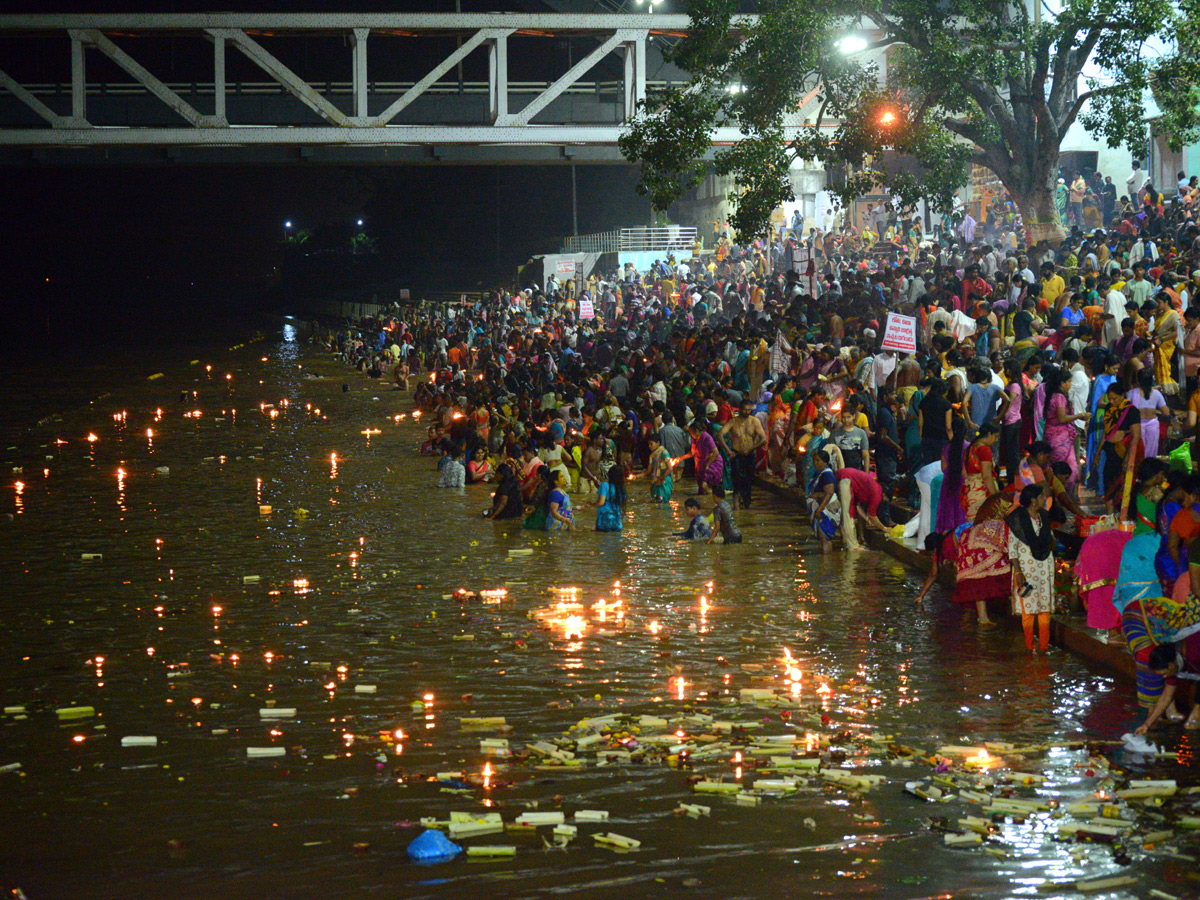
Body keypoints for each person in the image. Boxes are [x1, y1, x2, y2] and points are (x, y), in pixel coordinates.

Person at [1007, 483, 1056, 653]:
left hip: (1045, 568)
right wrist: (1018, 572)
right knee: (1028, 610)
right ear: (1034, 500)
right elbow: (1012, 549)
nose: (1044, 499)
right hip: (1026, 569)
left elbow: (1050, 539)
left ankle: (1043, 646)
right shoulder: (1016, 520)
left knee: (1044, 609)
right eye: (1042, 496)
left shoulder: (1044, 516)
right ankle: (1030, 646)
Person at [1135, 635, 1200, 734]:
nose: (1164, 677)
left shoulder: (1193, 655)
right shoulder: (1173, 666)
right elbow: (1166, 697)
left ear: (1170, 665)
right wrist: (1146, 724)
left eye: (1164, 673)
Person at [716, 398, 768, 509]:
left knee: (748, 481)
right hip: (737, 455)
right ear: (740, 410)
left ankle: (746, 503)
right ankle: (736, 505)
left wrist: (751, 448)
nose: (747, 412)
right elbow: (719, 435)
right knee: (736, 480)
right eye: (745, 410)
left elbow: (763, 439)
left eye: (749, 410)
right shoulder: (733, 422)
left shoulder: (754, 421)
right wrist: (728, 451)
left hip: (750, 455)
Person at [961, 423, 1001, 519]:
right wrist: (995, 496)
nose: (996, 440)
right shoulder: (984, 450)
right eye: (995, 437)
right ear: (988, 434)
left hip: (970, 491)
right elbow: (987, 477)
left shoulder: (969, 448)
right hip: (982, 492)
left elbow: (964, 472)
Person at [808, 448, 840, 553]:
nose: (815, 463)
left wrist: (819, 510)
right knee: (822, 539)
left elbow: (829, 493)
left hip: (825, 511)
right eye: (814, 460)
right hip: (820, 509)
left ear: (825, 462)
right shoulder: (819, 473)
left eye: (818, 460)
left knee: (825, 539)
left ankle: (826, 564)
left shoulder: (827, 474)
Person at [595, 463, 626, 532]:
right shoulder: (621, 488)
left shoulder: (605, 486)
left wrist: (591, 505)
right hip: (616, 523)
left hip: (603, 523)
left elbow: (601, 503)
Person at [647, 433, 674, 502]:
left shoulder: (664, 453)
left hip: (664, 480)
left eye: (651, 444)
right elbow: (648, 471)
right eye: (649, 444)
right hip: (655, 480)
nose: (649, 446)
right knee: (655, 502)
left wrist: (661, 478)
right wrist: (636, 476)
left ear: (658, 443)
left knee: (662, 502)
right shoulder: (652, 455)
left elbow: (670, 468)